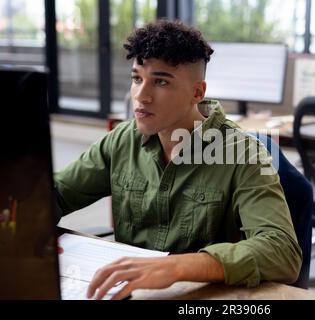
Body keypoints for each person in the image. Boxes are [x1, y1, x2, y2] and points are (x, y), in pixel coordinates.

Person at [53, 20, 302, 300]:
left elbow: (282, 251)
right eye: (137, 78)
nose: (141, 96)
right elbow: (56, 194)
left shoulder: (245, 154)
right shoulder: (123, 139)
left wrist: (176, 267)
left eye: (160, 82)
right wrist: (30, 226)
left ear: (198, 92)